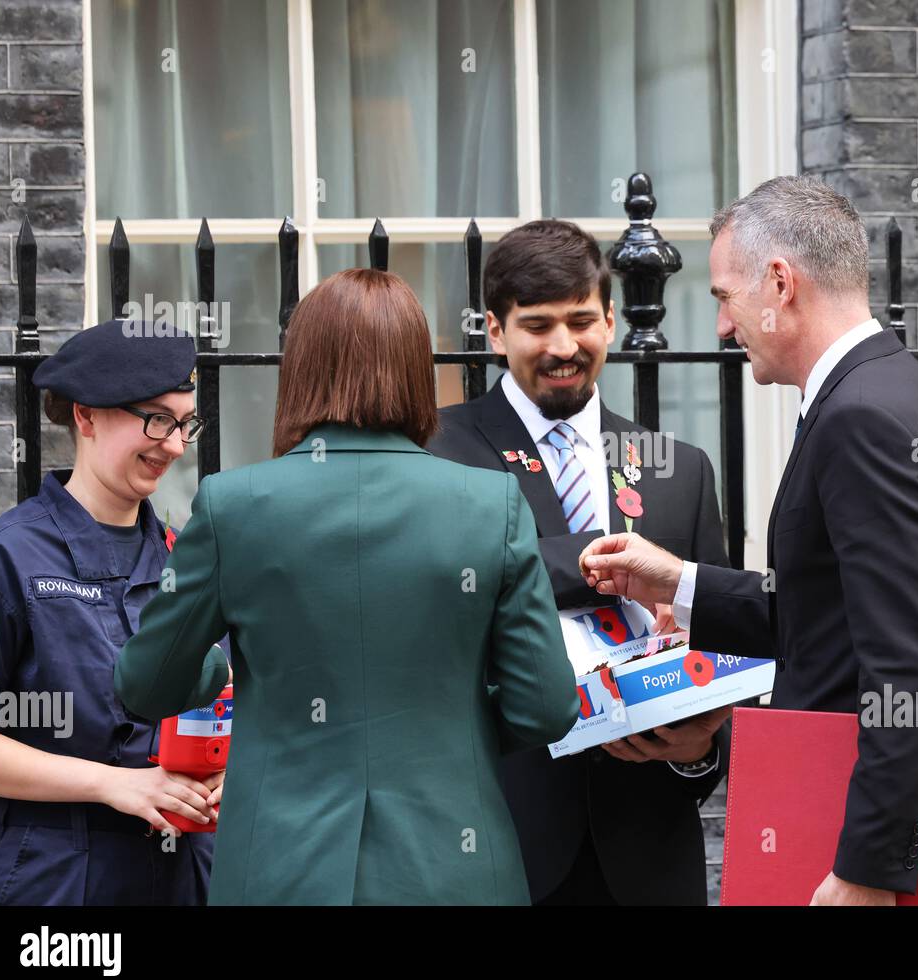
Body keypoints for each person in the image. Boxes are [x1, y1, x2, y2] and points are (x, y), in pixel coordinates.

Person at [578, 175, 918, 905]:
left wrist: (867, 871)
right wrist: (680, 582)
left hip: (881, 855)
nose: (723, 326)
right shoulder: (901, 391)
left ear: (780, 282)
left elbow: (906, 669)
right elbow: (834, 615)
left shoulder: (859, 419)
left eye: (725, 297)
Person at [115, 268, 579, 905]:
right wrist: (450, 722)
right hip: (453, 870)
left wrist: (217, 669)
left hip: (282, 870)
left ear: (301, 369)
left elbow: (144, 684)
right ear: (416, 371)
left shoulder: (234, 504)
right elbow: (547, 708)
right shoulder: (492, 503)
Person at [428, 220, 731, 906]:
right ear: (496, 331)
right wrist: (606, 563)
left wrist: (698, 751)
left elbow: (719, 641)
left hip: (649, 860)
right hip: (497, 851)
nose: (564, 347)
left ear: (612, 321)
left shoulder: (679, 470)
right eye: (537, 325)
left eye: (581, 321)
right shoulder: (436, 452)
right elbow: (437, 596)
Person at [0, 319, 228, 905]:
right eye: (157, 419)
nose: (176, 445)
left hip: (185, 875)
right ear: (85, 416)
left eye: (185, 422)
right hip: (54, 878)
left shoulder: (187, 556)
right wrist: (116, 785)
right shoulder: (5, 556)